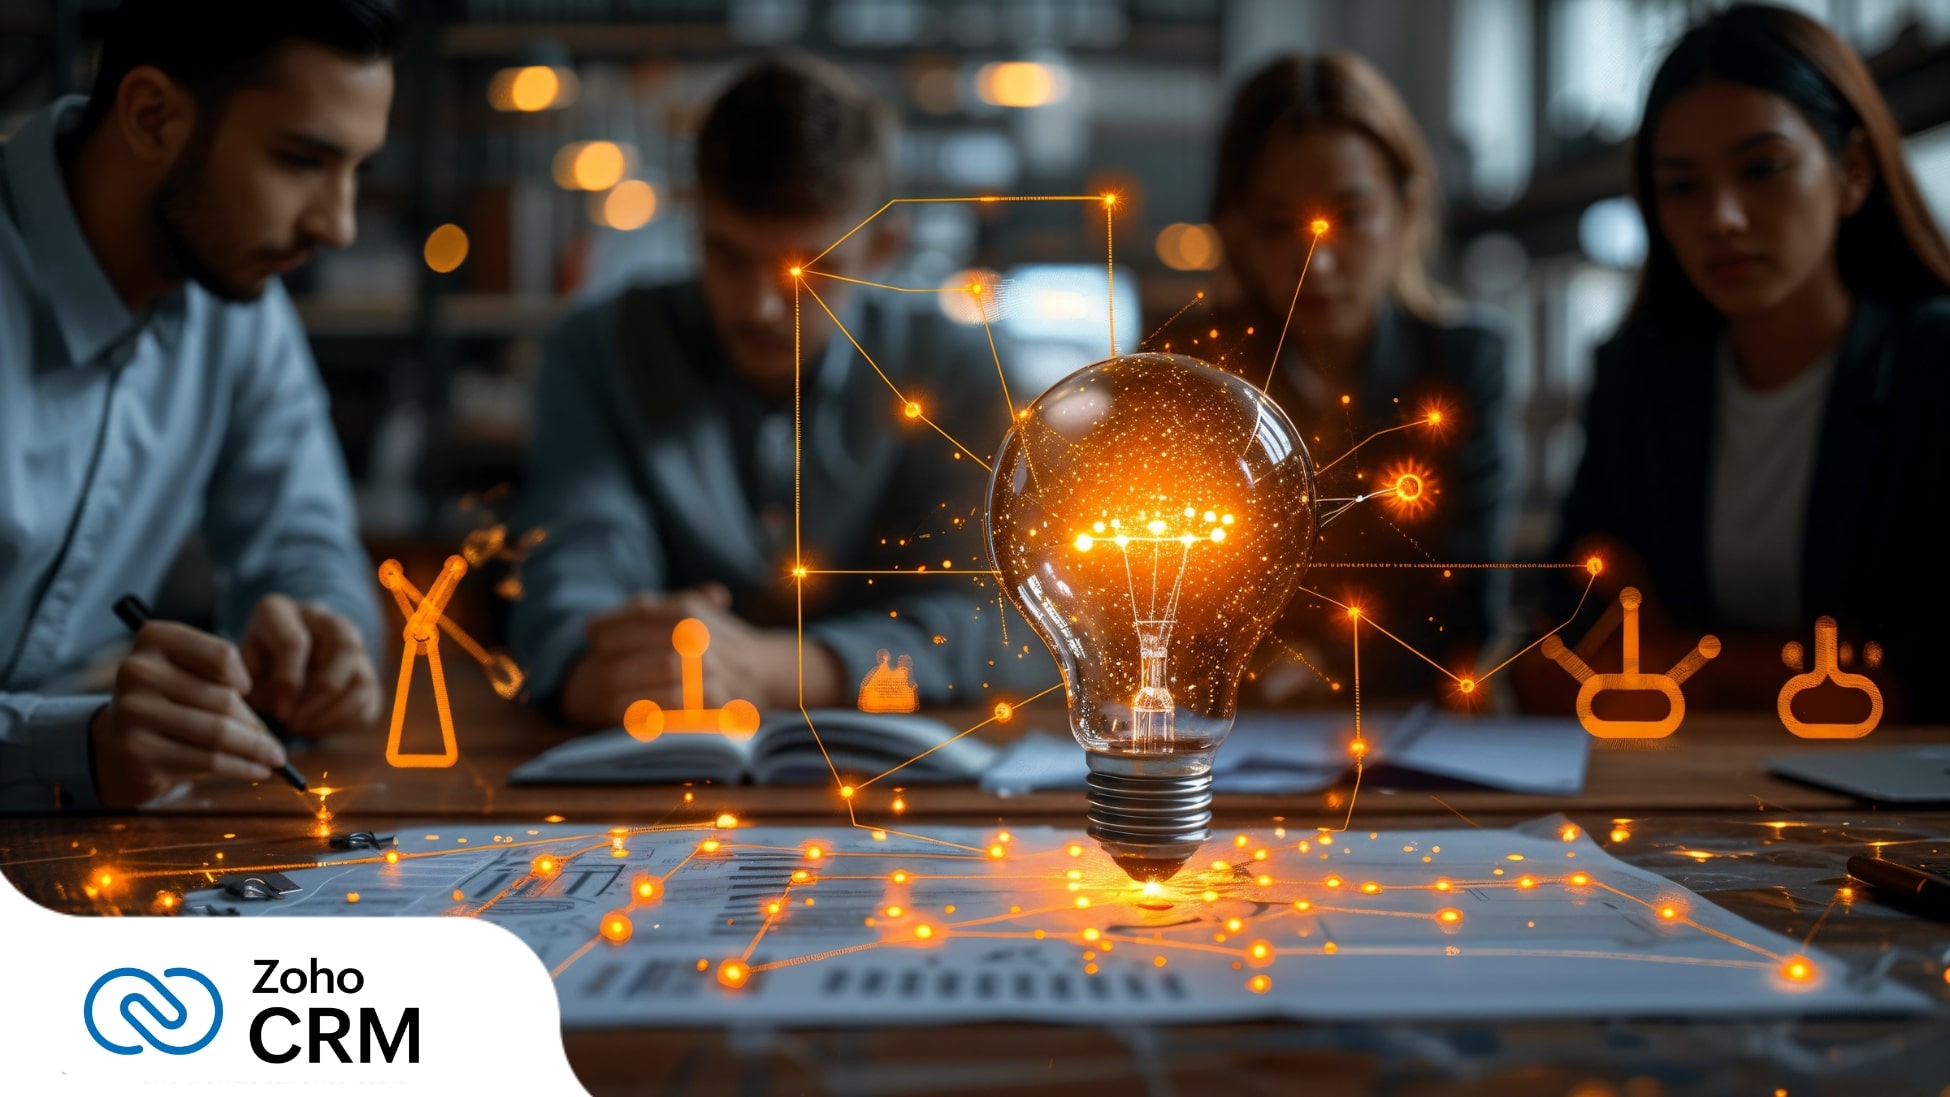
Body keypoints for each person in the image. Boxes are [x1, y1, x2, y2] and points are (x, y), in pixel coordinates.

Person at [510, 55, 1047, 728]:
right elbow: (575, 573)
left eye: (810, 270)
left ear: (884, 249)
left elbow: (1003, 624)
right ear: (694, 227)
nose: (762, 307)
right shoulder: (597, 351)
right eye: (728, 258)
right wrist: (601, 672)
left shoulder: (962, 367)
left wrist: (781, 668)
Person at [0, 0, 398, 810]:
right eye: (300, 161)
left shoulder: (238, 301)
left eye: (357, 170)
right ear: (151, 116)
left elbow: (307, 543)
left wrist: (323, 638)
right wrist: (70, 747)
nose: (341, 224)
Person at [1545, 4, 1950, 721]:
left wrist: (1695, 662)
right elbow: (1562, 645)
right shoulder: (1638, 377)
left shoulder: (1932, 363)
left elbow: (1925, 671)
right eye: (1682, 186)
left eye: (1762, 169)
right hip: (1687, 792)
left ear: (1852, 171)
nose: (1722, 217)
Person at [1205, 52, 1510, 701]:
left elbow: (1466, 612)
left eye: (1349, 217)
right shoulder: (1197, 372)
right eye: (1276, 225)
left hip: (1403, 730)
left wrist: (1316, 669)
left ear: (1407, 211)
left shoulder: (1461, 365)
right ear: (1236, 233)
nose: (1315, 262)